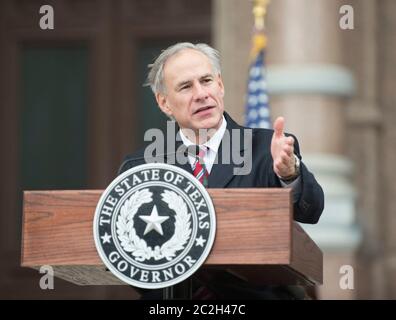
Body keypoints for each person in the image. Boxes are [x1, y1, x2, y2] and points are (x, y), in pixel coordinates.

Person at [118, 42, 324, 299]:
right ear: (164, 103)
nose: (201, 93)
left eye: (206, 81)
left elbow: (311, 210)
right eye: (185, 86)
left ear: (220, 85)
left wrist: (289, 174)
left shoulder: (265, 149)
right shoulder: (141, 167)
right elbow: (129, 255)